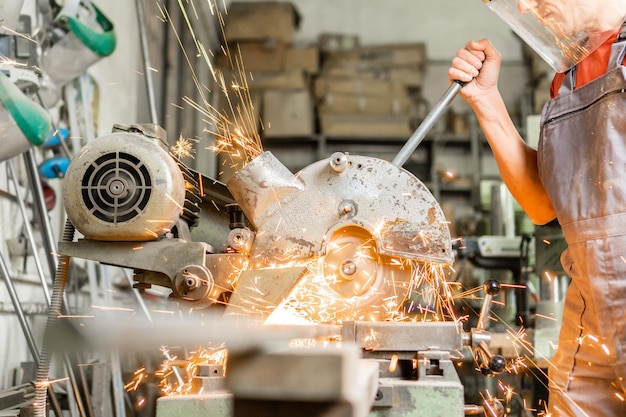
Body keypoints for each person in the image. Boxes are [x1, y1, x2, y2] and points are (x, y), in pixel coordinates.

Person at [448, 1, 626, 416]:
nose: (526, 6)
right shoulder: (569, 76)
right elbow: (543, 205)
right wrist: (486, 101)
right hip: (591, 307)